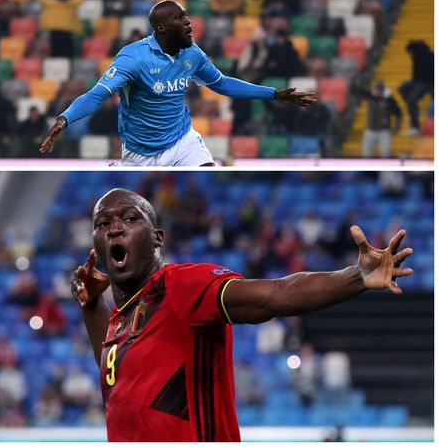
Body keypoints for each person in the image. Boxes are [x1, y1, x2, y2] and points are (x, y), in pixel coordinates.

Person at [71, 188, 413, 441]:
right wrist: (91, 306)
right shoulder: (121, 317)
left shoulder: (181, 285)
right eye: (103, 223)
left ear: (157, 238)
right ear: (95, 243)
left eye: (130, 219)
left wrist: (355, 277)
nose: (115, 228)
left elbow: (274, 295)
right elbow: (118, 384)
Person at [39, 0, 315, 166]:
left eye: (186, 16)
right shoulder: (133, 58)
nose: (188, 22)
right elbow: (98, 94)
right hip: (141, 153)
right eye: (180, 18)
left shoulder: (192, 54)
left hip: (182, 141)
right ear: (161, 28)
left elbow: (221, 83)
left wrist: (274, 95)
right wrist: (65, 119)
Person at [357, 80, 402, 158]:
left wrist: (396, 128)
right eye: (377, 89)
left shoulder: (388, 101)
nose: (378, 92)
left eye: (380, 90)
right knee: (366, 155)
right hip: (370, 130)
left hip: (384, 131)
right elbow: (358, 92)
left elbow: (398, 114)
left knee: (385, 155)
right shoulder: (370, 96)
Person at [399, 41, 433, 136]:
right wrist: (411, 81)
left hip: (428, 83)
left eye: (410, 52)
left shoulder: (431, 57)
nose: (410, 55)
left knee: (411, 100)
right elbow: (416, 75)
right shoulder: (416, 58)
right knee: (402, 88)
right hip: (419, 81)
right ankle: (415, 110)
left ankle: (415, 127)